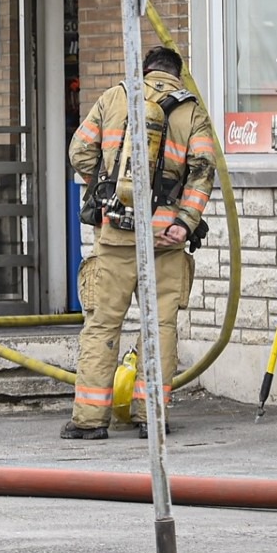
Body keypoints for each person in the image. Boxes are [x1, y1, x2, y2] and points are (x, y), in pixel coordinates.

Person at [62, 44, 218, 440]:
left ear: (145, 70)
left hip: (115, 235)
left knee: (101, 325)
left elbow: (79, 150)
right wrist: (184, 222)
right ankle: (152, 417)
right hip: (165, 239)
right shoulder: (191, 111)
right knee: (161, 326)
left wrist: (104, 185)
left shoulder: (115, 97)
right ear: (176, 75)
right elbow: (202, 171)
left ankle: (90, 421)